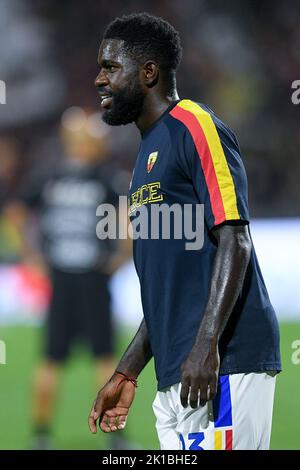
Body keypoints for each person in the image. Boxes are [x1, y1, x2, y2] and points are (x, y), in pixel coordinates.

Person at [88, 13, 281, 450]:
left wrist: (207, 347)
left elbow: (235, 237)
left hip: (223, 363)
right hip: (176, 372)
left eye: (110, 67)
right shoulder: (145, 157)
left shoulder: (193, 124)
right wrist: (127, 370)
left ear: (149, 72)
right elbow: (168, 288)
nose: (100, 79)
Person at [5, 108, 130, 449]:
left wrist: (31, 257)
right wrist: (120, 257)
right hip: (93, 279)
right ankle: (115, 437)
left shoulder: (48, 177)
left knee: (50, 360)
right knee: (104, 358)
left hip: (60, 280)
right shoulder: (106, 178)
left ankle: (41, 436)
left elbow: (15, 214)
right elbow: (129, 221)